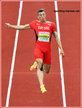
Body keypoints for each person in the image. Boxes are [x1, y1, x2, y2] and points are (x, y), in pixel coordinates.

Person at [5, 9, 64, 94]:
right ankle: (42, 86)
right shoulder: (35, 23)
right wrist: (11, 26)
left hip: (47, 50)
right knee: (41, 63)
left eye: (43, 14)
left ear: (45, 15)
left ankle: (36, 64)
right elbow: (22, 27)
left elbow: (57, 37)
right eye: (40, 15)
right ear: (38, 17)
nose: (42, 16)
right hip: (38, 48)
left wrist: (61, 48)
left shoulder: (51, 25)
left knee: (47, 71)